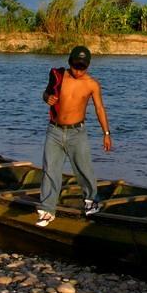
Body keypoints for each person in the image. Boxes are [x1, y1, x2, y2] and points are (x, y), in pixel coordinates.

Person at [36, 45, 112, 227]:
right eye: (75, 67)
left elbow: (99, 108)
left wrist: (106, 133)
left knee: (83, 168)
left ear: (88, 66)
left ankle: (91, 201)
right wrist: (46, 98)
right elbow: (46, 93)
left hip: (77, 132)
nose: (78, 71)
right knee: (50, 169)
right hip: (54, 130)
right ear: (69, 63)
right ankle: (47, 210)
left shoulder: (92, 84)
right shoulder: (58, 75)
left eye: (82, 68)